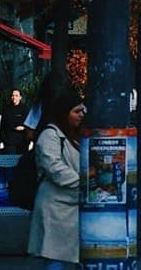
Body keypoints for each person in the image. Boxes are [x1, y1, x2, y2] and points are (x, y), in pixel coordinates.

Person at [28, 87, 84, 270]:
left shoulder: (75, 136)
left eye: (82, 111)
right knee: (54, 257)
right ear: (64, 113)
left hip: (72, 205)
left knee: (71, 257)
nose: (80, 115)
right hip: (54, 207)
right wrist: (84, 181)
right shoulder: (50, 136)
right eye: (76, 111)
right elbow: (54, 168)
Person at [0, 88, 30, 153]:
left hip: (22, 141)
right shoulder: (6, 109)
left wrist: (23, 127)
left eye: (16, 95)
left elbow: (28, 123)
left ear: (20, 97)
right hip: (9, 141)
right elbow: (3, 124)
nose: (14, 97)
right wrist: (2, 138)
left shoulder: (25, 109)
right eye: (12, 95)